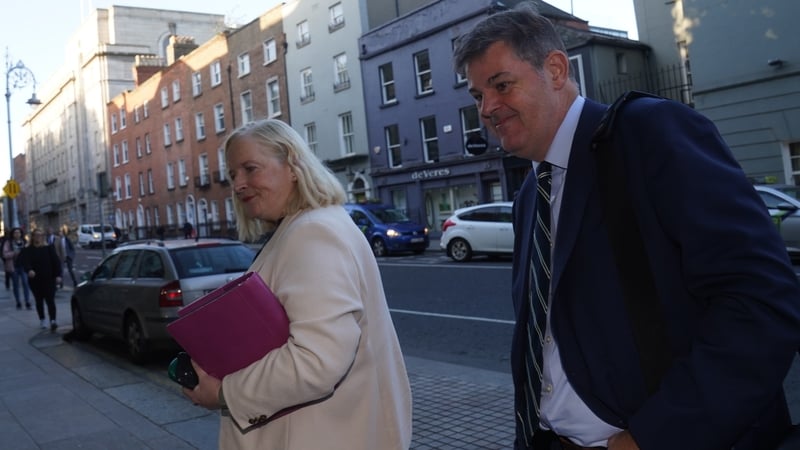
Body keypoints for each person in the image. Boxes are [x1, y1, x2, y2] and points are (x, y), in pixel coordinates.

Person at [453, 4, 800, 450]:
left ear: (555, 69)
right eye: (477, 95)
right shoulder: (528, 199)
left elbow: (762, 302)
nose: (487, 108)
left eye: (501, 85)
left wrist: (650, 437)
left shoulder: (647, 132)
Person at [182, 118, 412, 449]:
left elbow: (316, 361)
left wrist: (223, 393)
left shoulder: (313, 233)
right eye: (233, 175)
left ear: (292, 166)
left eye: (250, 169)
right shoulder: (309, 226)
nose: (239, 184)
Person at [20, 228, 62, 331]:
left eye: (40, 235)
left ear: (43, 237)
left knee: (50, 300)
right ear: (33, 237)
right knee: (39, 301)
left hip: (49, 279)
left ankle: (53, 320)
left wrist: (58, 275)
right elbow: (25, 262)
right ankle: (42, 319)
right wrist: (29, 270)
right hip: (35, 280)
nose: (38, 237)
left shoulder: (49, 248)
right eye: (36, 235)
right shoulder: (27, 250)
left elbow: (56, 262)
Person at [3, 227, 31, 310]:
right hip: (14, 266)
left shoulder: (24, 242)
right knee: (15, 285)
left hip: (23, 266)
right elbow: (5, 254)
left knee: (25, 283)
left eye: (18, 232)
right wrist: (14, 253)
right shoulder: (8, 243)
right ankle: (18, 302)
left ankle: (27, 301)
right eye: (15, 232)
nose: (17, 234)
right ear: (12, 234)